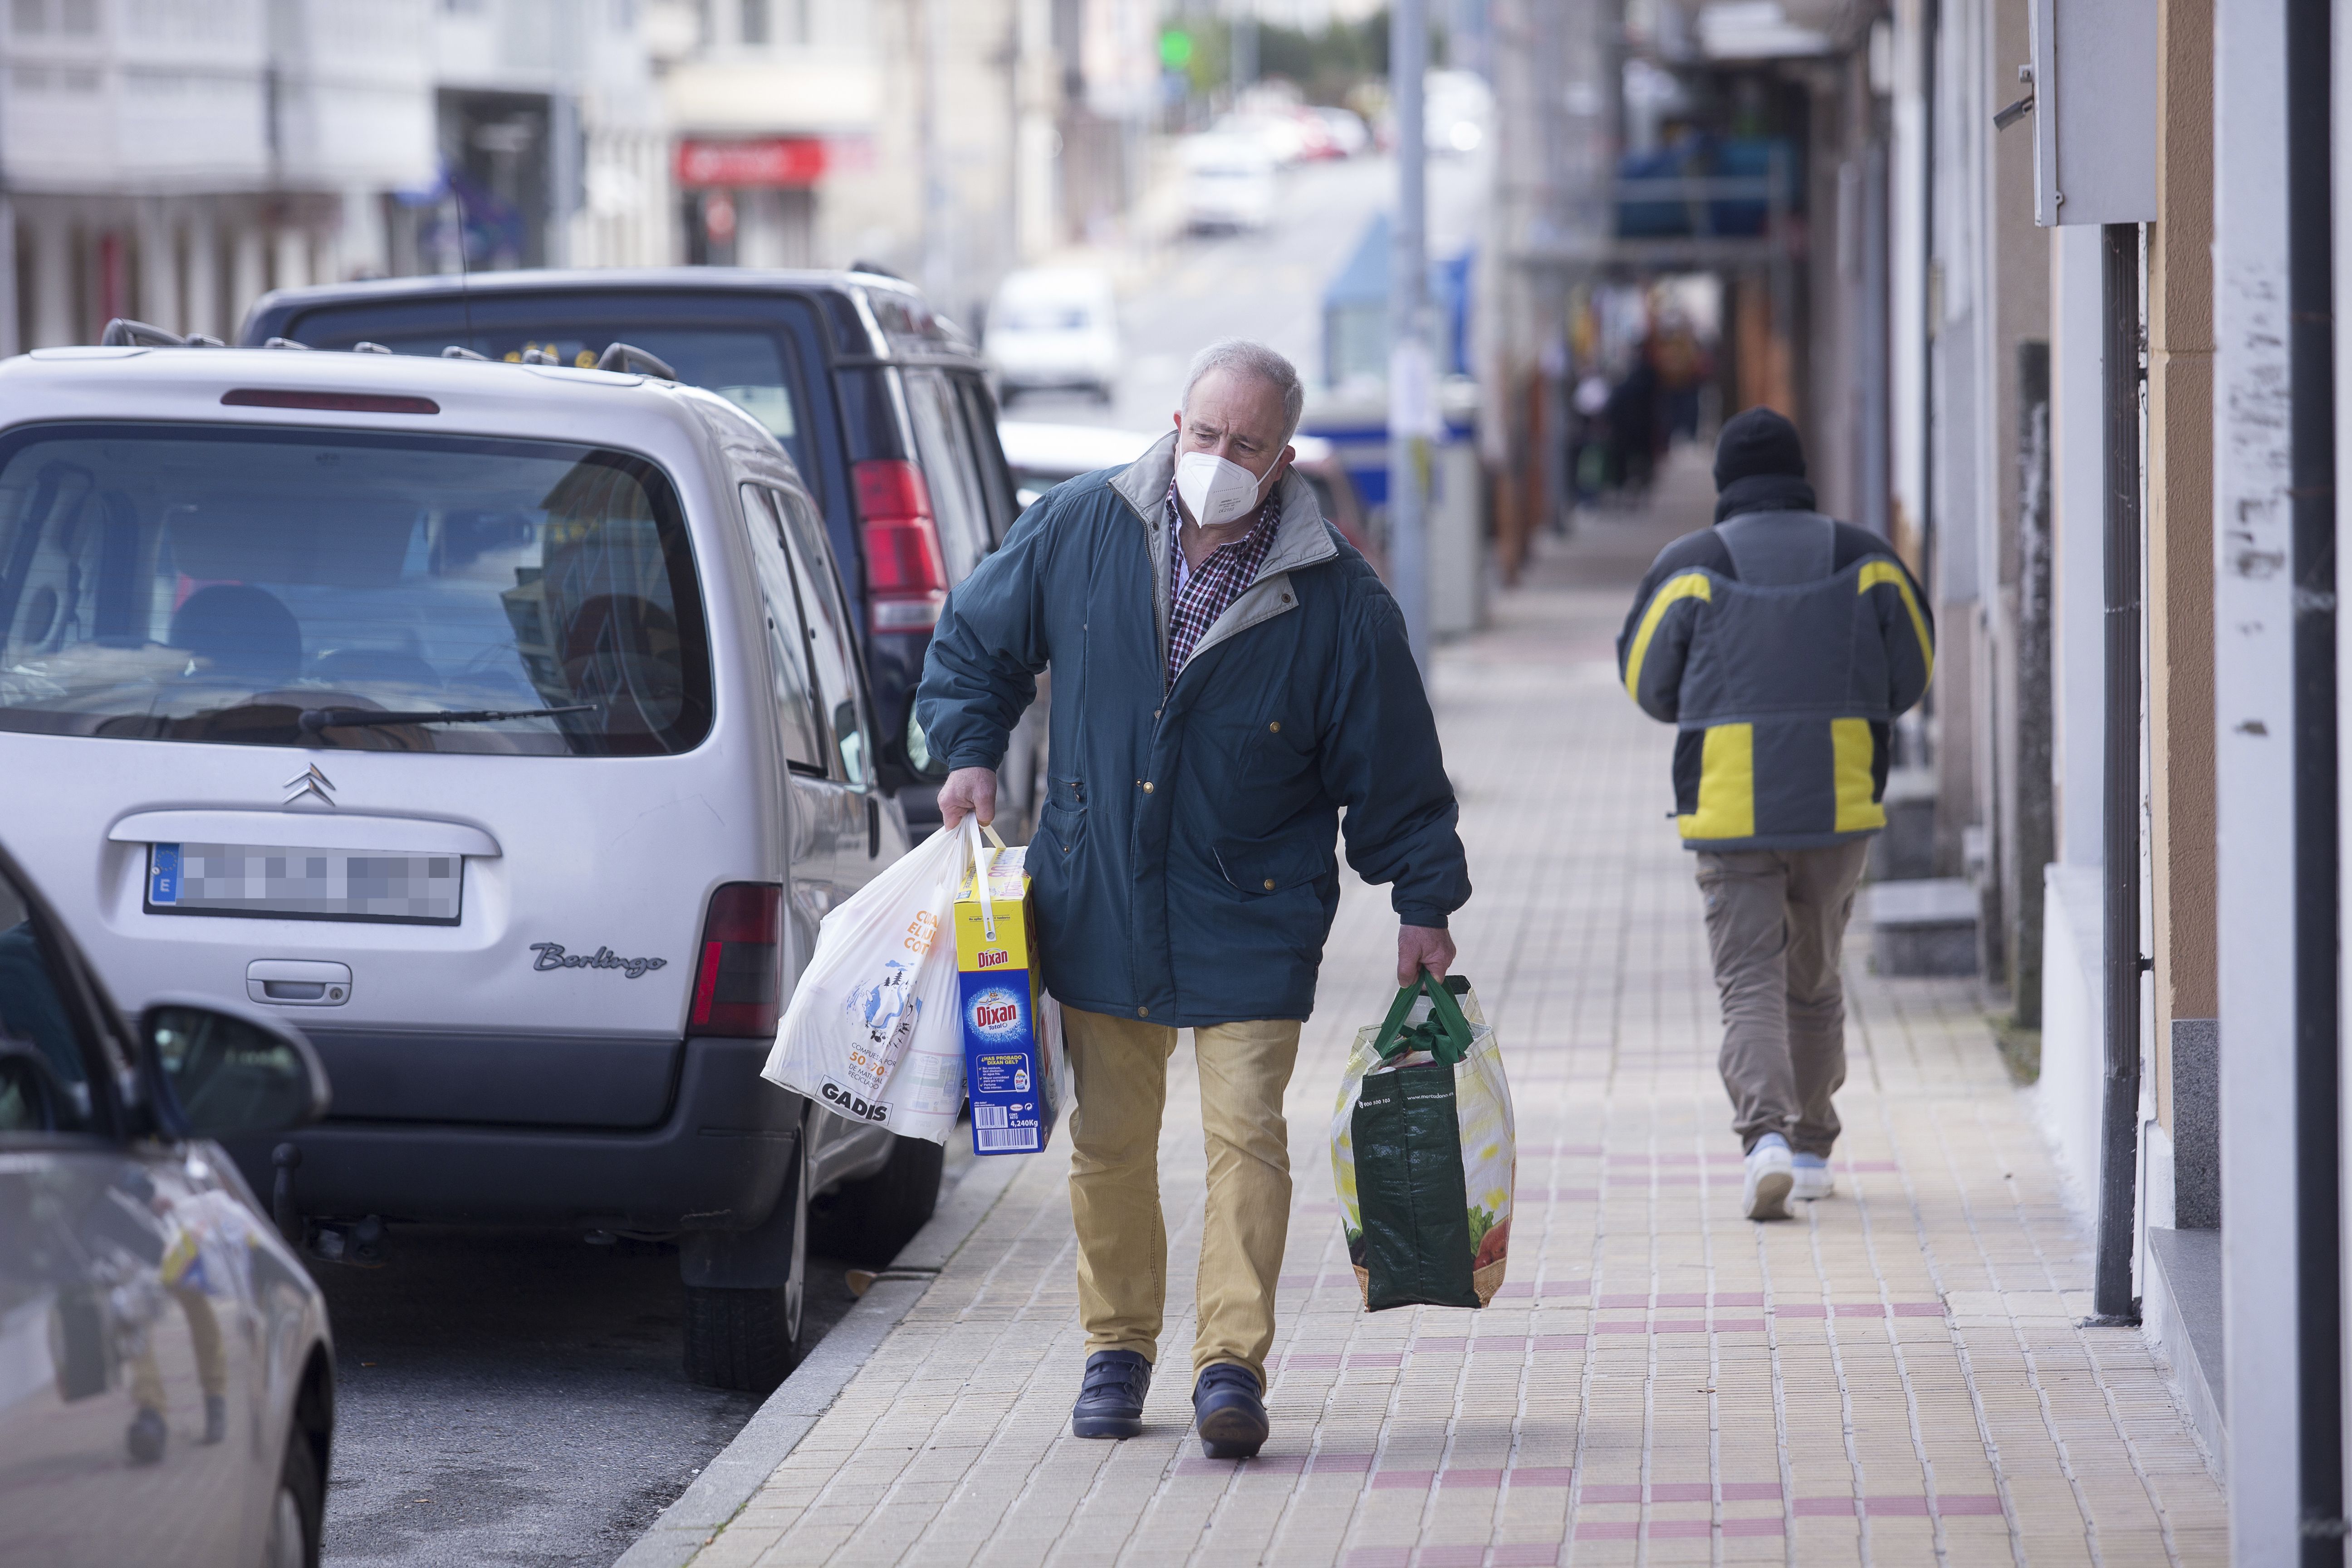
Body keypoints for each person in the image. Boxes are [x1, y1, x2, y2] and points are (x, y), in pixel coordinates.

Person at [916, 338, 1470, 1460]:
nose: (1218, 458)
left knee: (1246, 1139)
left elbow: (1396, 770)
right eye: (1205, 435)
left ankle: (1231, 1368)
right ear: (1177, 424)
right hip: (1101, 890)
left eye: (1246, 445)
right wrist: (970, 750)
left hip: (1255, 905)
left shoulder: (1338, 600)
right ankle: (1116, 1351)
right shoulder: (1082, 526)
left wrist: (1424, 902)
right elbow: (978, 639)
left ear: (1284, 459)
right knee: (1111, 1143)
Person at [1615, 407, 1934, 1220]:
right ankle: (1814, 1146)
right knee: (1817, 980)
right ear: (1801, 473)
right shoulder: (1867, 557)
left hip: (1731, 810)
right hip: (1839, 805)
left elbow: (1647, 684)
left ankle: (1762, 1139)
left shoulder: (1690, 565)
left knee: (1749, 981)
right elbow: (1913, 674)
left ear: (1725, 482)